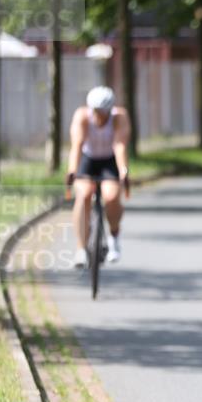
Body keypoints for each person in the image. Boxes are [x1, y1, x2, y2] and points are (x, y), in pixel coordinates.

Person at [66, 86, 131, 268]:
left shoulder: (120, 117)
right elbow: (77, 145)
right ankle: (80, 249)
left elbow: (119, 146)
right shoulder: (82, 117)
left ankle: (114, 236)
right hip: (89, 159)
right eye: (96, 111)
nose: (100, 115)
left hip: (110, 160)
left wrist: (124, 171)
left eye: (103, 112)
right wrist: (72, 170)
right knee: (84, 195)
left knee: (111, 196)